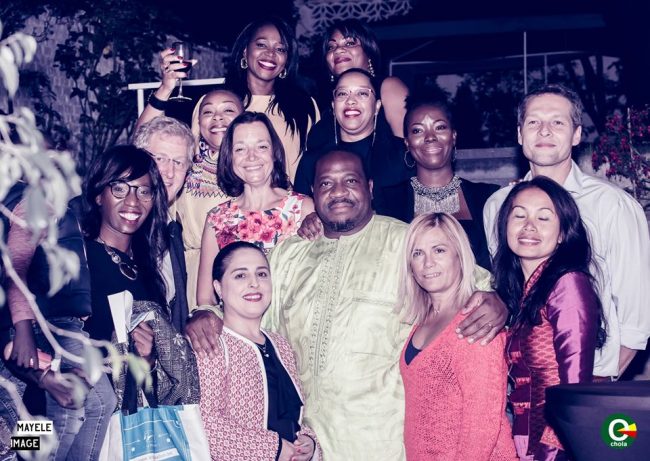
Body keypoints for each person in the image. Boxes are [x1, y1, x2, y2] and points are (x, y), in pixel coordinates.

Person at [187, 150, 507, 460]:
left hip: (382, 444)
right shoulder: (289, 254)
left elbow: (468, 278)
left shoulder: (403, 243)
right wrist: (206, 314)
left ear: (370, 187)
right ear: (313, 193)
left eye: (351, 181)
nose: (339, 191)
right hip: (304, 444)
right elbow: (249, 310)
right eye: (326, 183)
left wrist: (497, 299)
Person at [484, 83, 650, 379]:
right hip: (519, 380)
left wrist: (599, 383)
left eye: (557, 122)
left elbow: (636, 319)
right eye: (534, 122)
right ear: (520, 134)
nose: (544, 131)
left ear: (576, 135)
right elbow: (507, 288)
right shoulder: (498, 206)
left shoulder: (613, 205)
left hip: (589, 377)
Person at [0, 182, 117, 461]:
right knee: (80, 403)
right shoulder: (30, 201)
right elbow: (16, 267)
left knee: (93, 402)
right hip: (45, 324)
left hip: (44, 324)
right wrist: (23, 328)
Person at [492, 176, 604, 460]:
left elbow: (574, 390)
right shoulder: (521, 292)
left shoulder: (568, 284)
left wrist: (551, 452)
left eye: (543, 218)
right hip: (525, 441)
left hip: (557, 444)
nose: (529, 226)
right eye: (519, 215)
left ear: (563, 233)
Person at [82, 145, 198, 412]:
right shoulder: (80, 259)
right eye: (120, 188)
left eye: (144, 191)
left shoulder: (148, 272)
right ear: (98, 195)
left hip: (120, 422)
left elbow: (148, 380)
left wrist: (148, 359)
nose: (133, 201)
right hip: (62, 412)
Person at [398, 213, 516, 460]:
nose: (428, 263)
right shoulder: (423, 320)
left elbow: (482, 425)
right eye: (417, 253)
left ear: (459, 256)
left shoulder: (477, 322)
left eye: (439, 250)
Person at [143, 18, 319, 183]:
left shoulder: (304, 106)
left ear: (287, 60)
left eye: (280, 49)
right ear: (245, 51)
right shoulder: (215, 103)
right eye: (261, 44)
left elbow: (315, 167)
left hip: (288, 204)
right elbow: (144, 141)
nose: (270, 53)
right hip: (223, 203)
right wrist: (165, 88)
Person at [197, 241, 319, 461]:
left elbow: (292, 416)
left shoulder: (280, 345)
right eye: (240, 275)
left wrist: (308, 443)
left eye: (262, 274)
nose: (254, 283)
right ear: (218, 288)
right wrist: (274, 450)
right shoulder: (210, 342)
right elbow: (204, 424)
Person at [195, 112, 314, 307]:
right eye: (240, 149)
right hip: (236, 323)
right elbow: (205, 299)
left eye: (261, 147)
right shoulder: (217, 219)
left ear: (274, 153)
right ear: (229, 157)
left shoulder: (303, 208)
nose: (252, 156)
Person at [375, 96, 499, 270]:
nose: (430, 137)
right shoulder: (387, 202)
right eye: (417, 130)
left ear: (453, 136)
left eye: (439, 127)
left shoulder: (488, 197)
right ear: (407, 143)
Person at [294, 68, 413, 198]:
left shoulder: (404, 155)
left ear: (377, 106)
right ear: (333, 106)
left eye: (362, 93)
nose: (350, 101)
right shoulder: (312, 161)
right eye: (342, 94)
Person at [132, 115, 196, 330]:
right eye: (160, 159)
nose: (169, 173)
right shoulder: (117, 221)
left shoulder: (173, 230)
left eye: (178, 162)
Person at [318, 19, 409, 138]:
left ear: (369, 52)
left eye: (350, 43)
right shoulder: (324, 103)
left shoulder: (389, 87)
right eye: (331, 47)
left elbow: (407, 143)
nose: (338, 50)